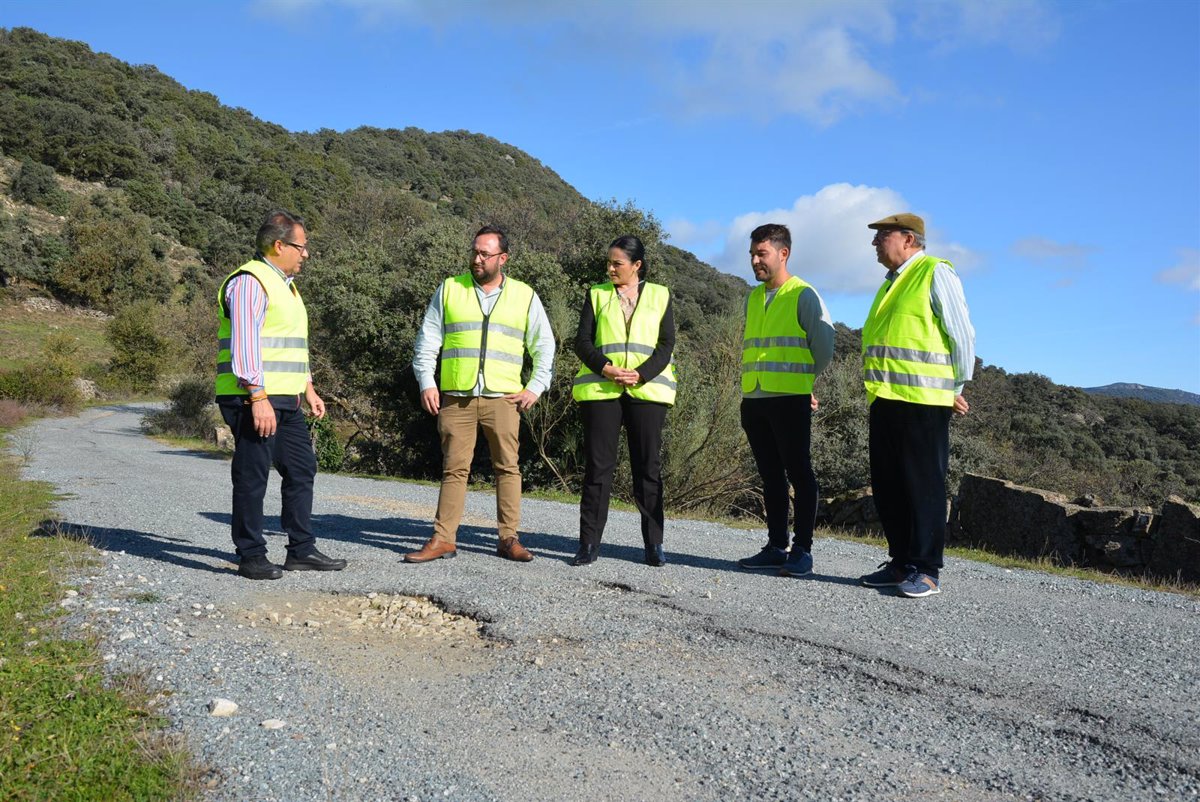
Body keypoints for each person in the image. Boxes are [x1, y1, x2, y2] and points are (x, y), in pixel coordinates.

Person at [405, 226, 555, 564]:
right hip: (456, 396)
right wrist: (426, 382)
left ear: (503, 258)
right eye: (475, 251)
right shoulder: (450, 288)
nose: (477, 258)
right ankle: (443, 539)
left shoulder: (525, 295)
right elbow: (428, 340)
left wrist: (535, 386)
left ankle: (508, 539)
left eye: (485, 254)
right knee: (454, 469)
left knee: (508, 468)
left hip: (504, 397)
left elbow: (544, 345)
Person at [215, 209, 346, 580]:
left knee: (302, 467)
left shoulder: (286, 286)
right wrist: (258, 398)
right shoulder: (250, 282)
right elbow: (245, 345)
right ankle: (251, 555)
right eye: (301, 247)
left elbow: (291, 344)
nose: (306, 254)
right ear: (278, 245)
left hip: (286, 398)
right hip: (253, 398)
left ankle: (301, 549)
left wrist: (308, 387)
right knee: (253, 475)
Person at [858, 213, 975, 598]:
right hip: (885, 398)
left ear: (908, 239)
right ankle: (900, 563)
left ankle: (926, 570)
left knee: (923, 485)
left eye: (882, 235)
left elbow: (961, 335)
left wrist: (954, 387)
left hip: (924, 401)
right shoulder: (891, 283)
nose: (875, 242)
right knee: (889, 485)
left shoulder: (934, 271)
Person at [570, 235, 677, 567]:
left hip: (647, 391)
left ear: (637, 265)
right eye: (609, 263)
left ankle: (654, 545)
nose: (610, 269)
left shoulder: (660, 295)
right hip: (602, 390)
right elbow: (582, 341)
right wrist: (606, 368)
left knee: (648, 468)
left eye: (617, 263)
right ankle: (588, 544)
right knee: (598, 468)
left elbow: (666, 344)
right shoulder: (597, 294)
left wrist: (641, 374)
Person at [736, 223, 835, 577]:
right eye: (752, 254)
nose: (754, 261)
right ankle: (777, 546)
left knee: (800, 473)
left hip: (790, 398)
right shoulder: (752, 297)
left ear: (783, 253)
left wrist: (805, 383)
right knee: (770, 475)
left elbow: (824, 347)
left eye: (761, 254)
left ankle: (802, 550)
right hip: (754, 398)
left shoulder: (804, 294)